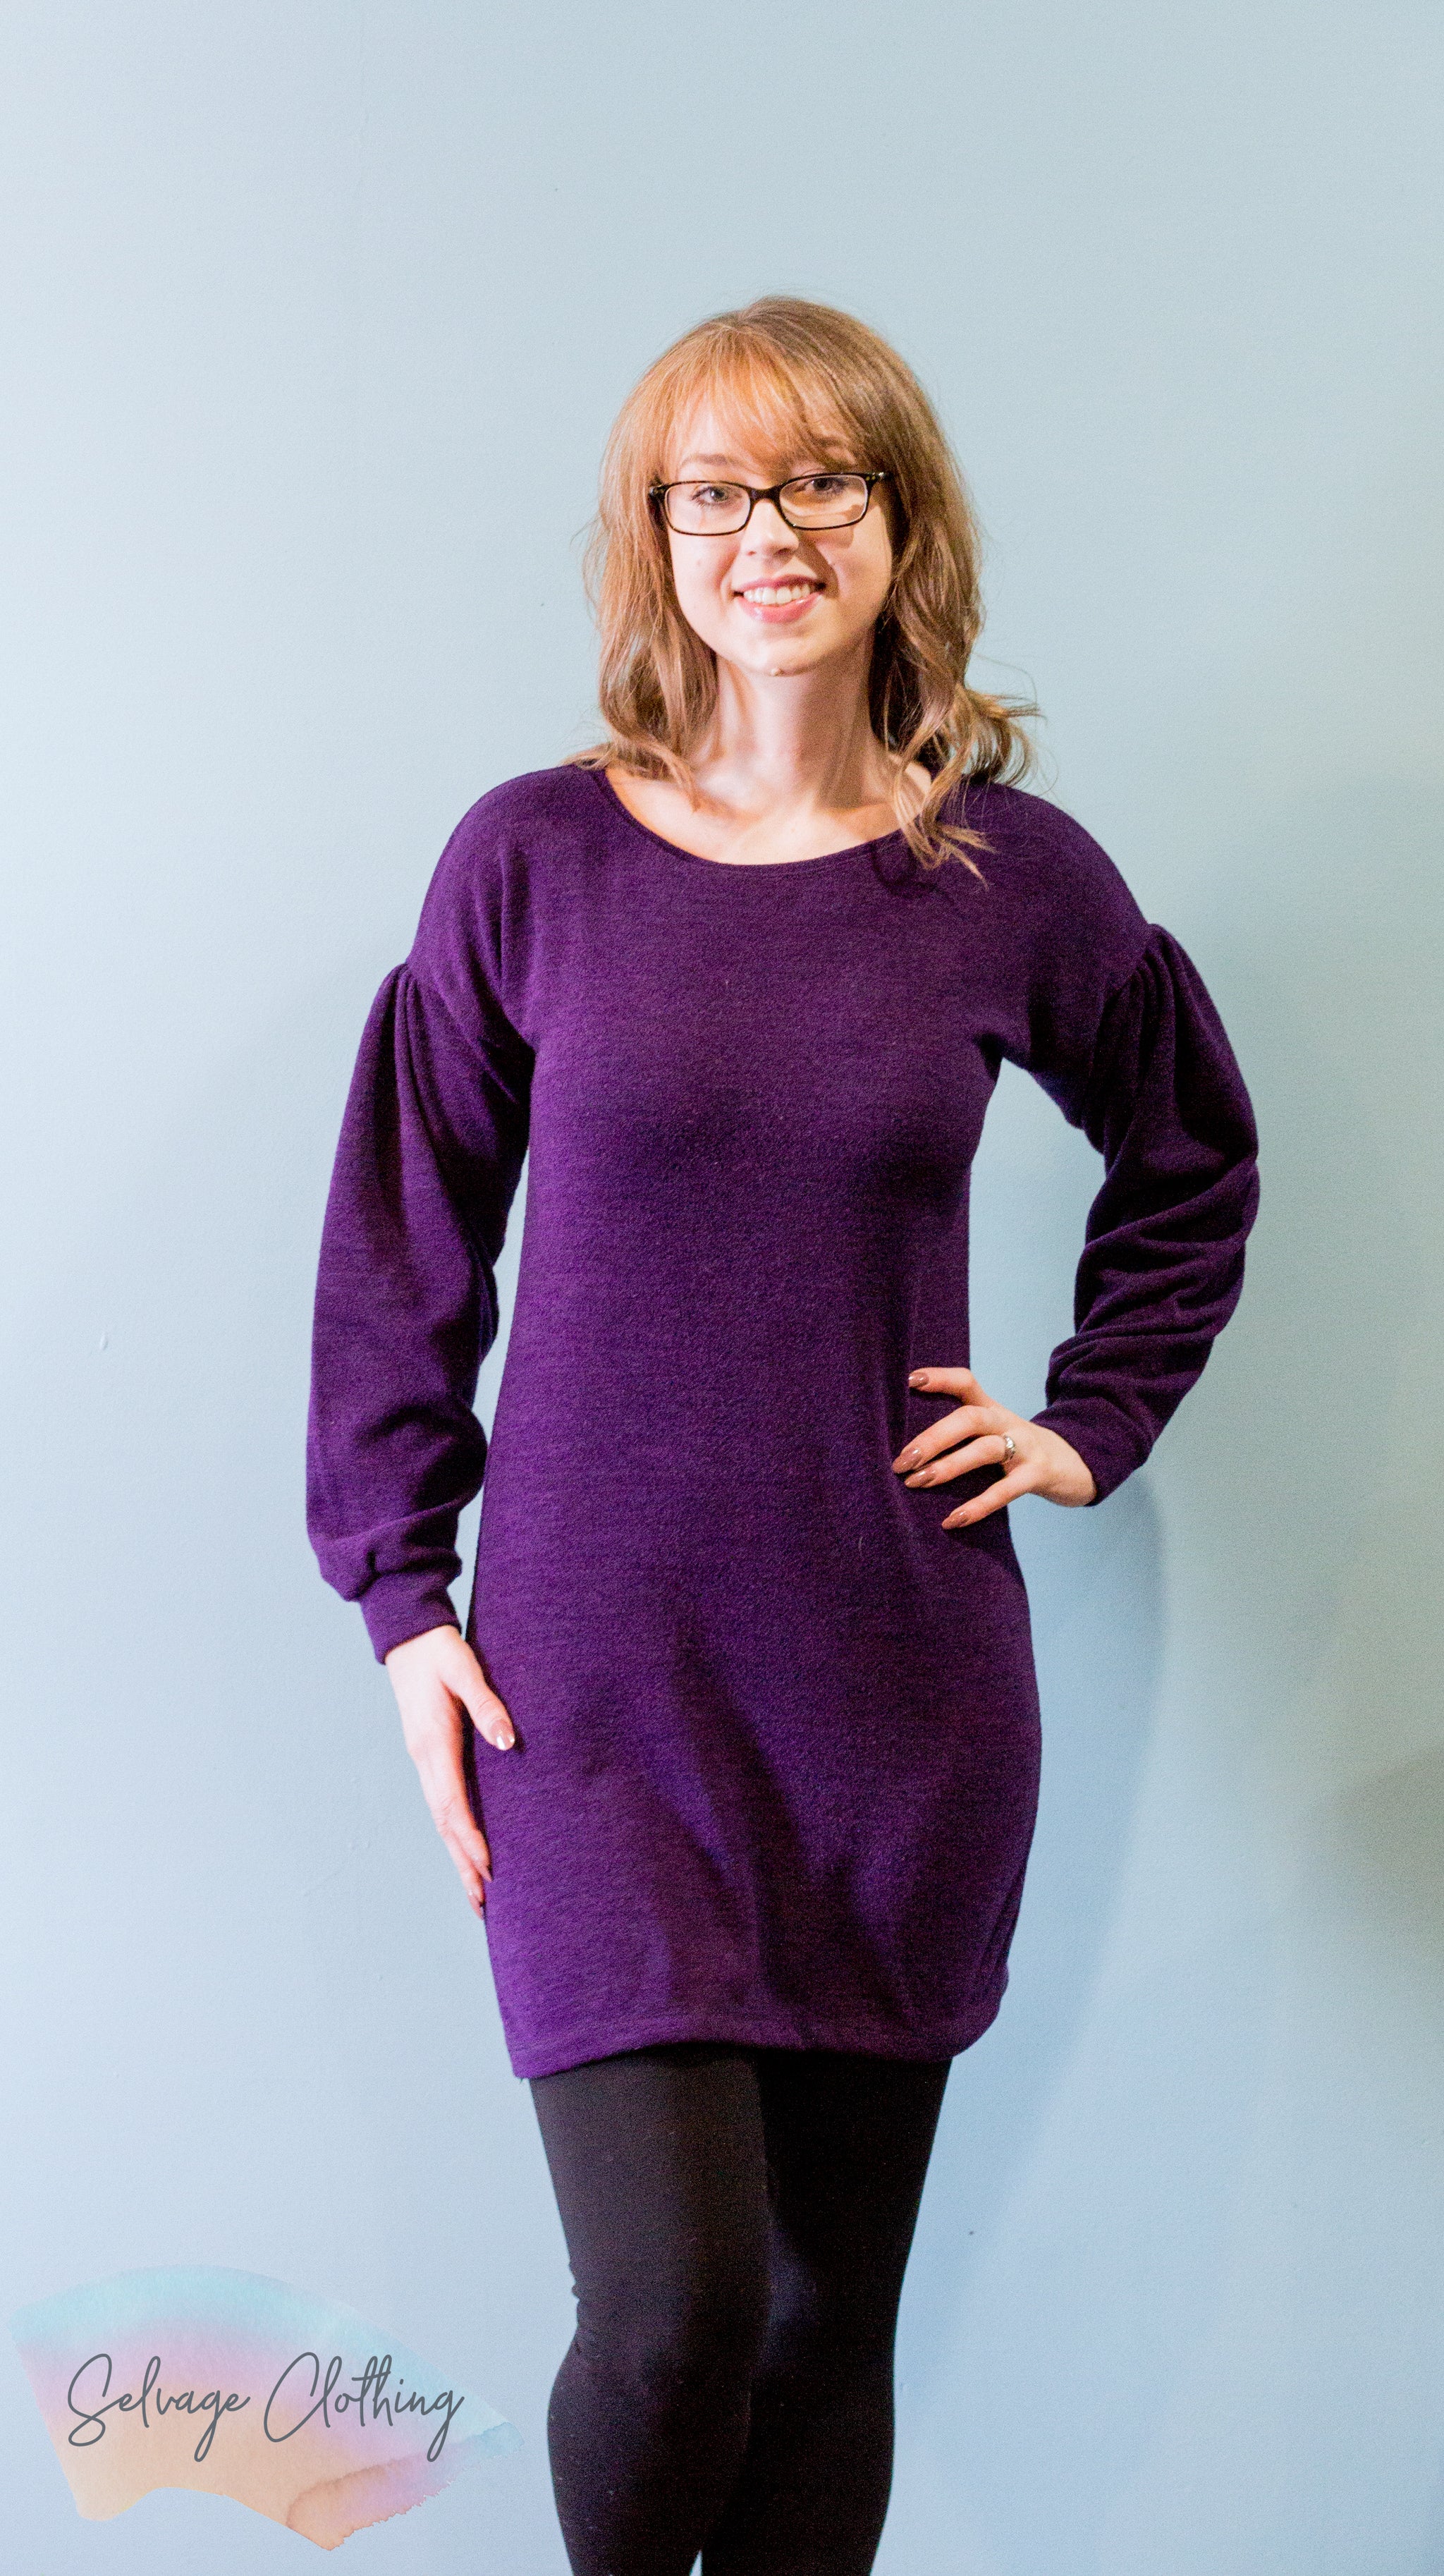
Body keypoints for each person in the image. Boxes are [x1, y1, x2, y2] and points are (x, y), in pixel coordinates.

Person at [306, 294, 1261, 2575]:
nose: (770, 534)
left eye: (822, 480)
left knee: (829, 2333)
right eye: (713, 493)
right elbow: (402, 1240)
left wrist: (1089, 1423)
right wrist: (399, 1598)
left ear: (900, 521)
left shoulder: (1009, 879)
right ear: (655, 540)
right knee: (677, 2320)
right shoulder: (532, 862)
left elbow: (1191, 1156)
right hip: (593, 1692)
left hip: (894, 1685)